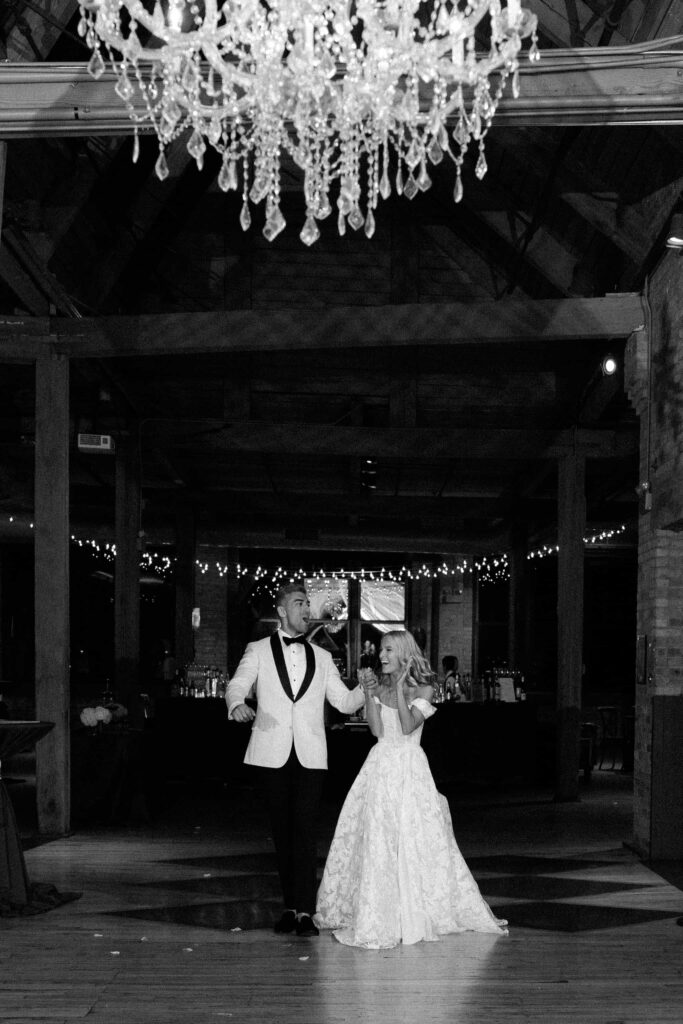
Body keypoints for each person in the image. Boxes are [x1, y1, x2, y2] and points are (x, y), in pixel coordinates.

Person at [315, 629, 507, 949]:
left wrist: (403, 690)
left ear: (404, 653)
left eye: (388, 650)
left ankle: (415, 910)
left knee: (413, 836)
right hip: (380, 766)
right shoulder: (380, 685)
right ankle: (381, 909)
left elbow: (407, 727)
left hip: (410, 769)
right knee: (379, 837)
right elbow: (377, 730)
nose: (382, 656)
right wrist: (371, 694)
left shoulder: (425, 688)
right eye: (381, 650)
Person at [227, 582, 364, 938]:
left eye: (308, 604)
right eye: (300, 603)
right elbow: (237, 684)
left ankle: (307, 911)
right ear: (283, 610)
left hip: (310, 755)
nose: (307, 610)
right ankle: (290, 907)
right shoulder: (256, 649)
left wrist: (367, 687)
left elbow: (344, 703)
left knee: (304, 831)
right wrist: (237, 704)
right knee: (282, 833)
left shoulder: (322, 657)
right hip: (271, 753)